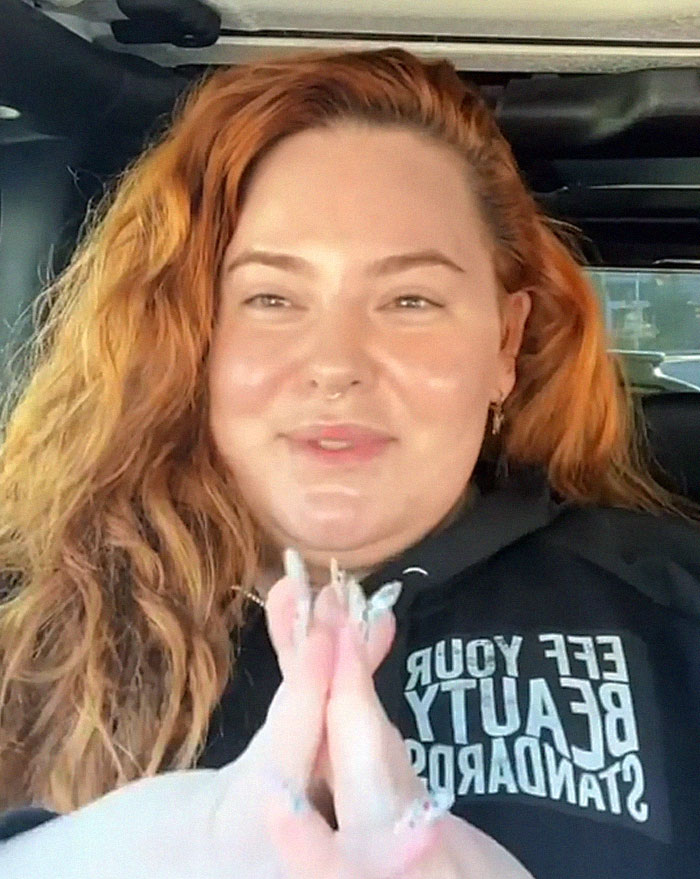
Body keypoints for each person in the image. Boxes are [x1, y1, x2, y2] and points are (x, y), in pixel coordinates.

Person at [0, 46, 698, 879]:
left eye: (410, 300)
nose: (335, 364)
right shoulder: (29, 631)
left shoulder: (673, 607)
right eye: (271, 298)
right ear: (190, 337)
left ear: (505, 344)